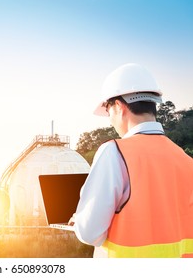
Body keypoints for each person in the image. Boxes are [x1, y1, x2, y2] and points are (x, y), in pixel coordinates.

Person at [69, 63, 193, 258]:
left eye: (108, 112)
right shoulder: (186, 160)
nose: (110, 120)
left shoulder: (114, 152)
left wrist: (80, 220)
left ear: (118, 107)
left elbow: (89, 232)